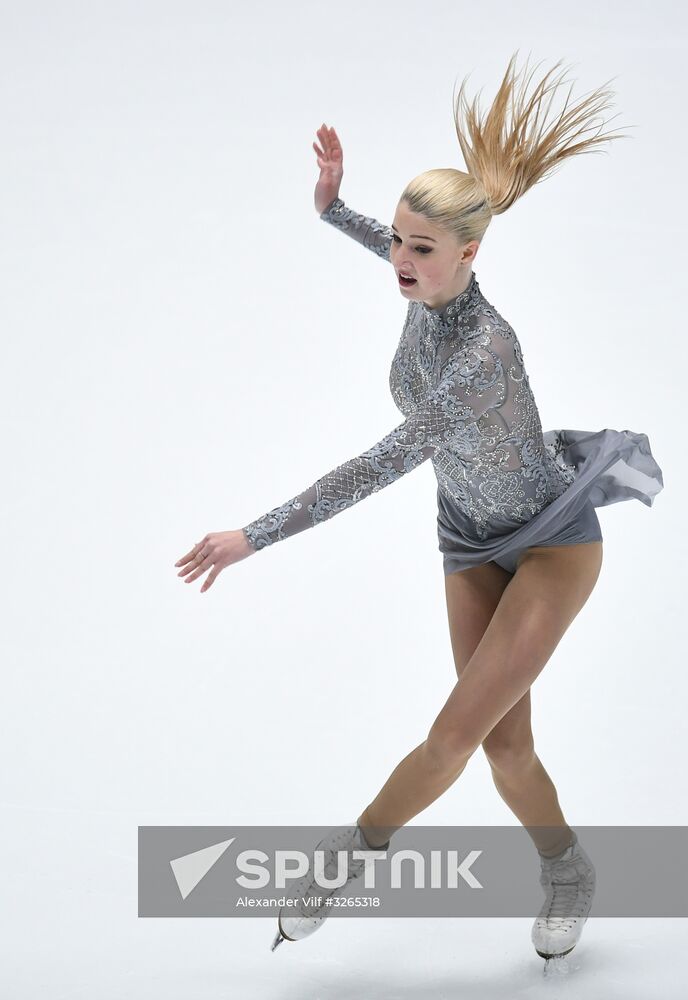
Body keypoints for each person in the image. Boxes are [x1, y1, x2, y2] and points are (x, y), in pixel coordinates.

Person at [174, 52, 664, 962]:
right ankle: (570, 869)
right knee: (504, 750)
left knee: (449, 737)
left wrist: (255, 535)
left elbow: (381, 463)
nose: (399, 259)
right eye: (395, 240)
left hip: (551, 544)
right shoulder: (421, 277)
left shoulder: (483, 353)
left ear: (470, 256)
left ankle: (344, 860)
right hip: (469, 541)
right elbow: (381, 243)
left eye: (420, 248)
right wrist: (331, 206)